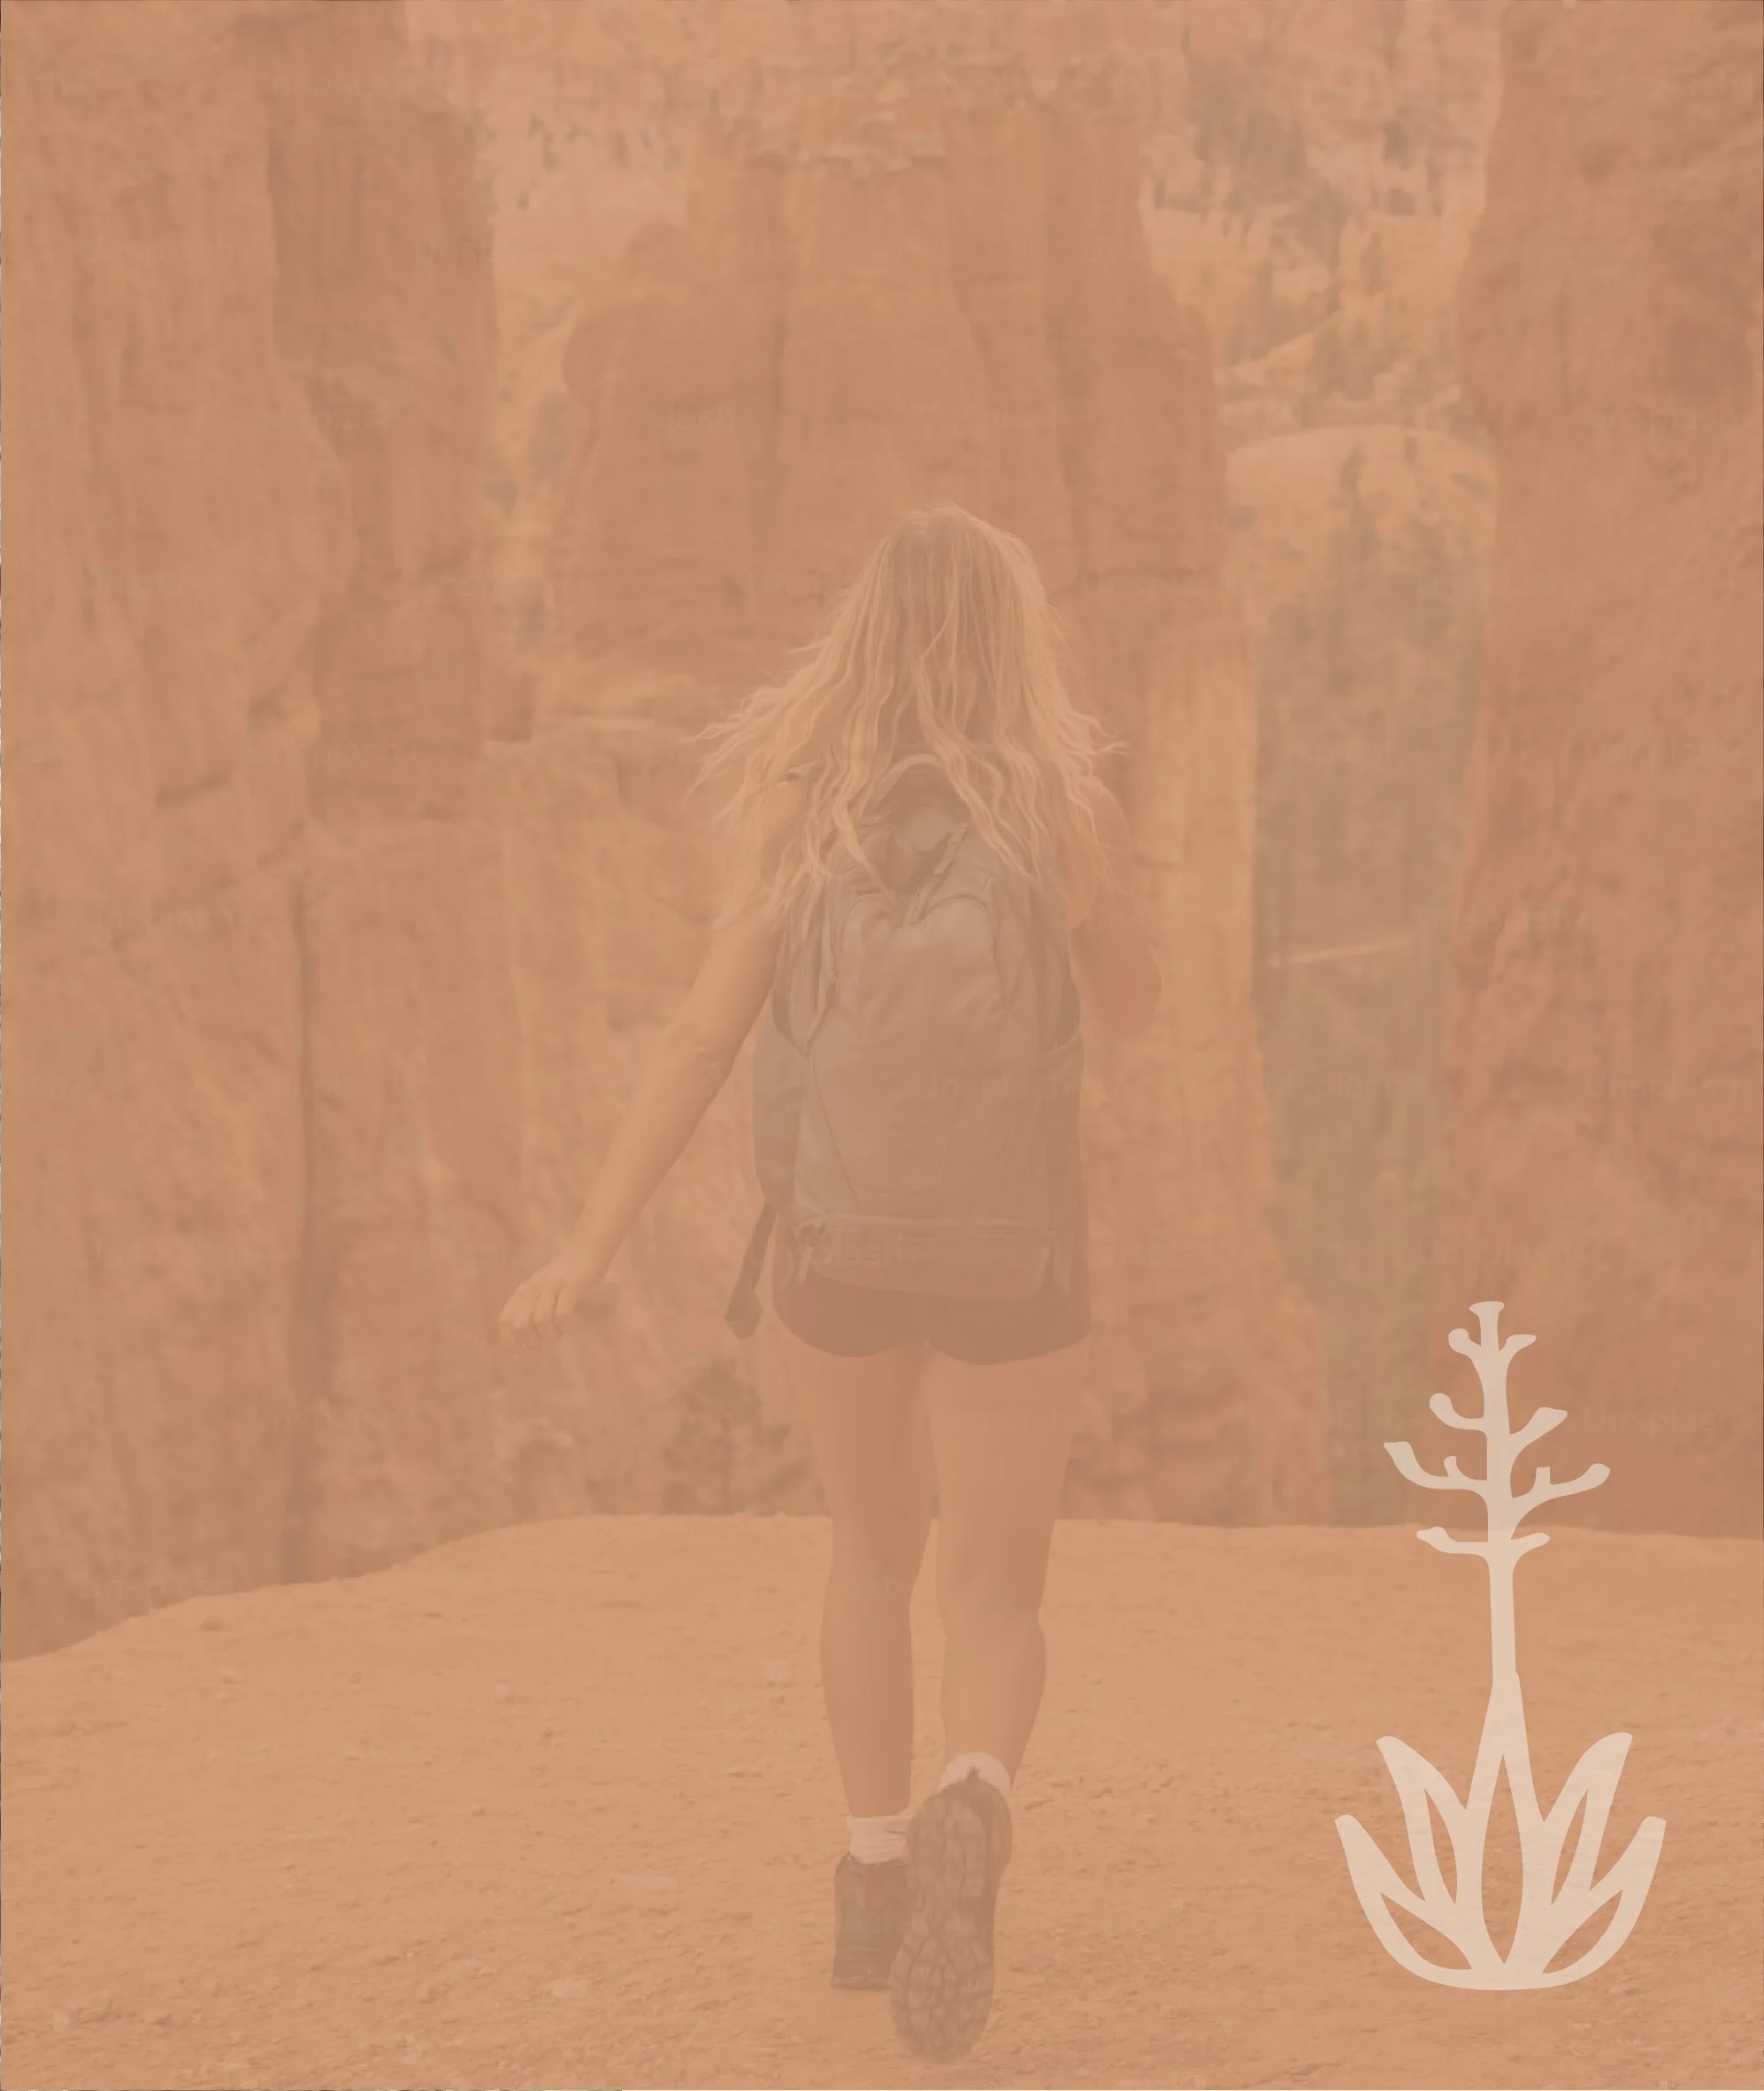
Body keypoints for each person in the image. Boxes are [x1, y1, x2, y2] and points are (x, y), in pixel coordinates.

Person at [498, 500, 1162, 2060]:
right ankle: (973, 1803)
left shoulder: (805, 807)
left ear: (862, 639)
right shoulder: (1060, 806)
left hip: (833, 1265)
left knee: (869, 1556)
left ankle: (872, 1879)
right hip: (1014, 1260)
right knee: (993, 1588)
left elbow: (698, 1039)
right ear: (1013, 643)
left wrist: (586, 1247)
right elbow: (1129, 1006)